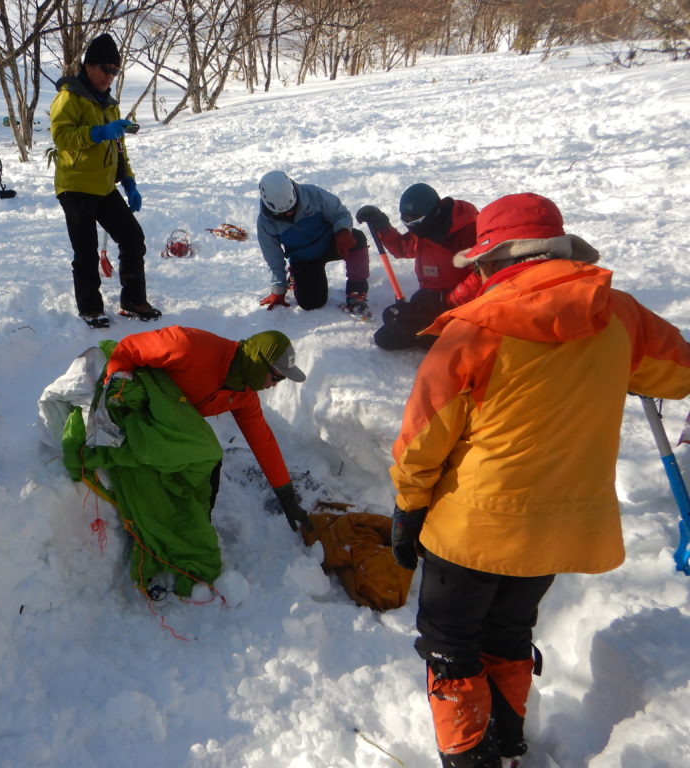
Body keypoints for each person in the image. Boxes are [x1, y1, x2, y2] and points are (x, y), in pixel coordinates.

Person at [388, 192, 690, 768]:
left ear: (494, 260)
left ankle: (472, 759)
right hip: (557, 532)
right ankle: (508, 748)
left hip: (471, 531)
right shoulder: (620, 314)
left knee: (451, 647)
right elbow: (678, 374)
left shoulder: (475, 329)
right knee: (507, 636)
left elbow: (422, 440)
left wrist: (408, 507)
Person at [105, 326, 313, 532]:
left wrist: (287, 499)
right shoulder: (190, 347)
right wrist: (116, 387)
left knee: (209, 462)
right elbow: (130, 347)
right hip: (139, 394)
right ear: (259, 363)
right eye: (277, 377)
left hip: (171, 414)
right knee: (207, 450)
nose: (276, 384)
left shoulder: (244, 394)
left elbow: (263, 442)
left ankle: (196, 525)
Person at [50, 32, 160, 329]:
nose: (109, 75)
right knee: (85, 252)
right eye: (105, 68)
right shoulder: (69, 97)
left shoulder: (110, 104)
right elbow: (61, 137)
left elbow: (118, 146)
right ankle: (91, 308)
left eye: (115, 71)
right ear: (88, 65)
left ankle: (133, 300)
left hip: (104, 187)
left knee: (133, 238)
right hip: (75, 186)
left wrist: (129, 182)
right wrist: (97, 133)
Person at [355, 183, 480, 350]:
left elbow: (481, 276)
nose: (410, 226)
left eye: (414, 220)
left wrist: (447, 299)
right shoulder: (425, 229)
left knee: (396, 334)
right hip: (430, 300)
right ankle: (433, 334)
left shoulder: (467, 232)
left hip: (461, 306)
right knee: (390, 323)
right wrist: (382, 225)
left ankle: (450, 337)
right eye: (405, 220)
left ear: (433, 213)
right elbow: (401, 247)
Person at [256, 170, 370, 315]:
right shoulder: (265, 224)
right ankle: (296, 277)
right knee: (311, 303)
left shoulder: (312, 195)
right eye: (281, 214)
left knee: (357, 239)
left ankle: (357, 290)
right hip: (304, 259)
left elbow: (340, 213)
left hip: (330, 243)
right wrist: (278, 290)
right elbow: (273, 258)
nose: (289, 214)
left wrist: (343, 232)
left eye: (292, 208)